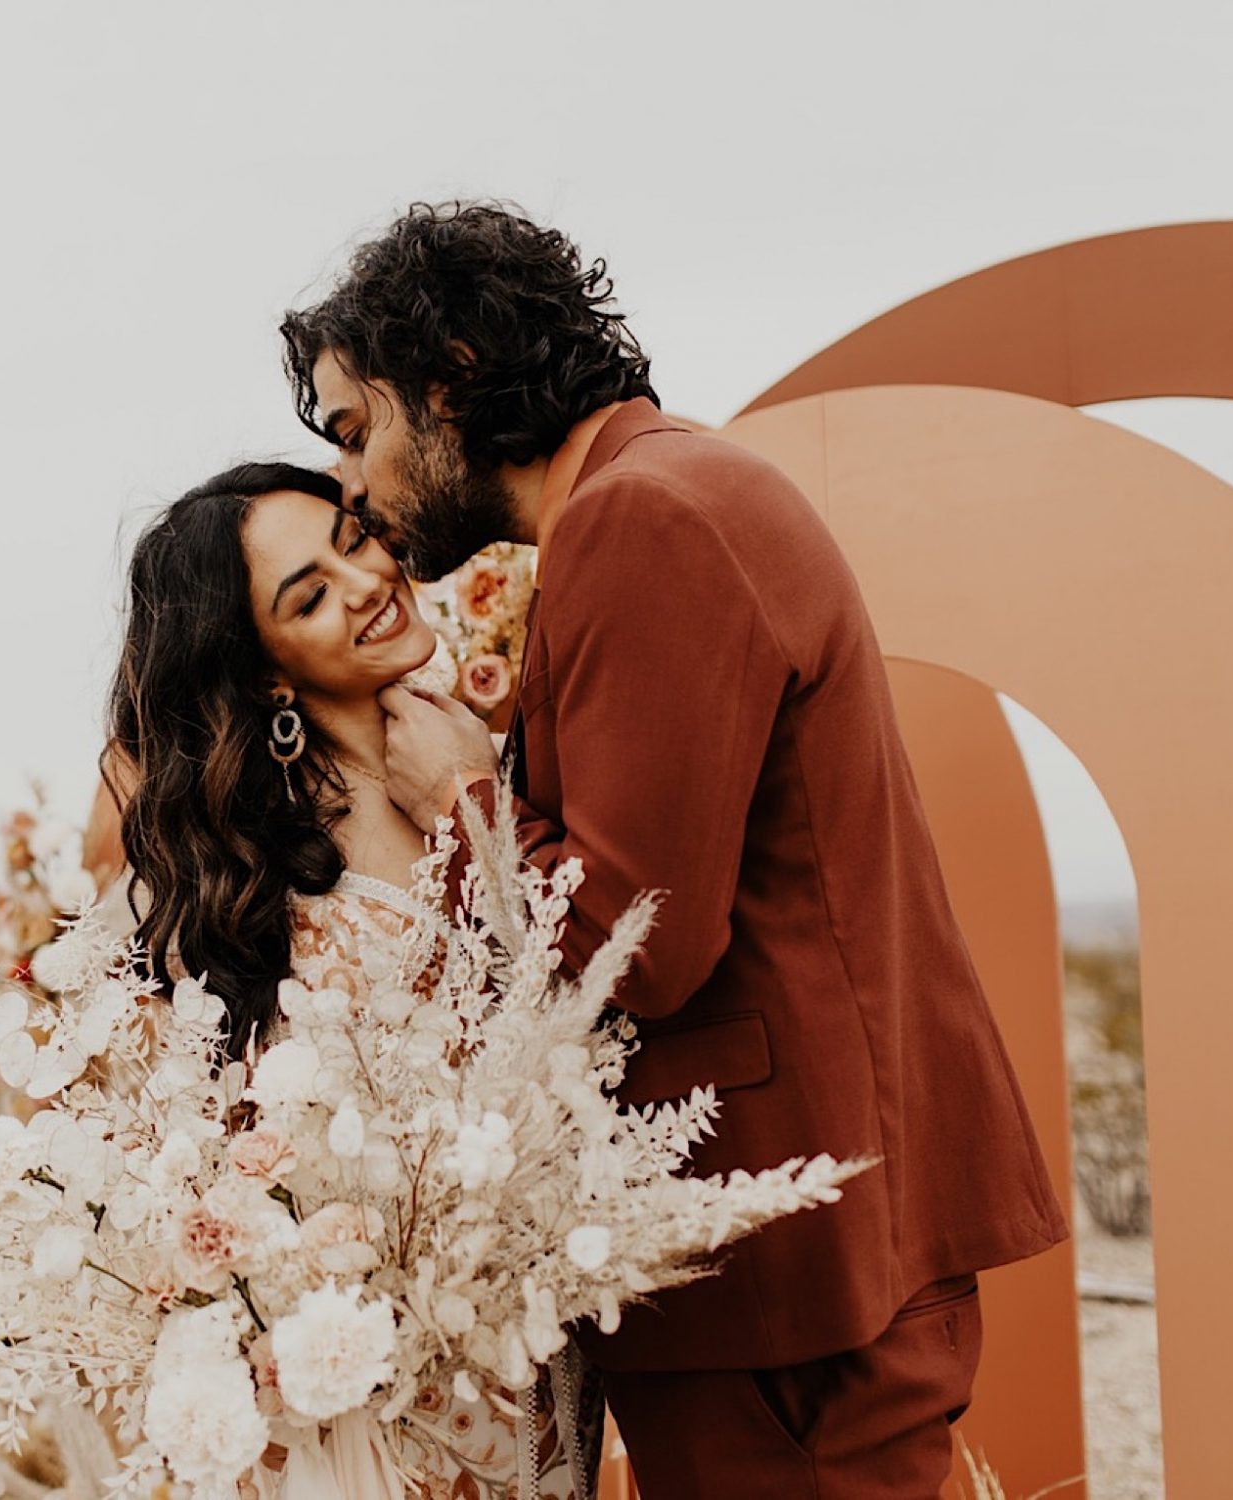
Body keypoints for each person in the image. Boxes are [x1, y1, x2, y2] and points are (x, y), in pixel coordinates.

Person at [278, 201, 1068, 1498]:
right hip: (809, 1265)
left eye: (355, 430)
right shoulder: (678, 491)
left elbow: (628, 949)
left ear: (451, 377)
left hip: (793, 1289)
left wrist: (470, 795)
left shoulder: (645, 520)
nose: (351, 485)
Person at [106, 460, 588, 1499]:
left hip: (542, 1335)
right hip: (392, 1374)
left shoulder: (488, 761)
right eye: (309, 594)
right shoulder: (274, 861)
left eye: (354, 539)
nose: (366, 581)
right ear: (267, 670)